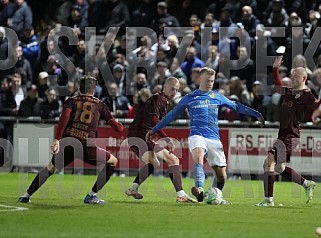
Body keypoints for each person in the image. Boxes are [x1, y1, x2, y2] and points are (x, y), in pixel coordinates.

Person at [146, 67, 265, 203]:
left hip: (214, 138)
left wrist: (256, 114)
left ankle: (215, 197)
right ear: (200, 79)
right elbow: (171, 115)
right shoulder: (189, 97)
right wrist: (154, 129)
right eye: (207, 80)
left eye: (212, 81)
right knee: (199, 158)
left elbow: (236, 106)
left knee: (222, 176)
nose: (210, 83)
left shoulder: (217, 96)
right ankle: (200, 189)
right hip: (197, 135)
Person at [18, 75, 124, 204]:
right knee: (113, 161)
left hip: (69, 141)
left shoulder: (71, 101)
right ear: (94, 89)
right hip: (87, 145)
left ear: (80, 88)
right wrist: (119, 124)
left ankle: (26, 195)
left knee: (51, 167)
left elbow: (64, 119)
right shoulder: (100, 105)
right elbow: (118, 129)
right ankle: (92, 195)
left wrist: (57, 139)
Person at [256, 56, 320, 207]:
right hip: (283, 134)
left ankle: (268, 200)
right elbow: (278, 86)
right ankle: (306, 183)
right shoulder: (289, 92)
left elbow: (317, 105)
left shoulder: (307, 95)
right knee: (279, 167)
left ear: (304, 78)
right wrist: (274, 69)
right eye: (292, 76)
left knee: (268, 163)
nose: (293, 78)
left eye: (296, 76)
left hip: (291, 135)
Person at [125, 77, 197, 203]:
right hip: (138, 136)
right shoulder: (158, 99)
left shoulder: (163, 101)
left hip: (144, 136)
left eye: (176, 90)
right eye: (172, 89)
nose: (174, 92)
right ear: (165, 87)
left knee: (171, 160)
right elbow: (154, 121)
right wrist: (166, 138)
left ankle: (133, 188)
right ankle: (181, 194)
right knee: (160, 161)